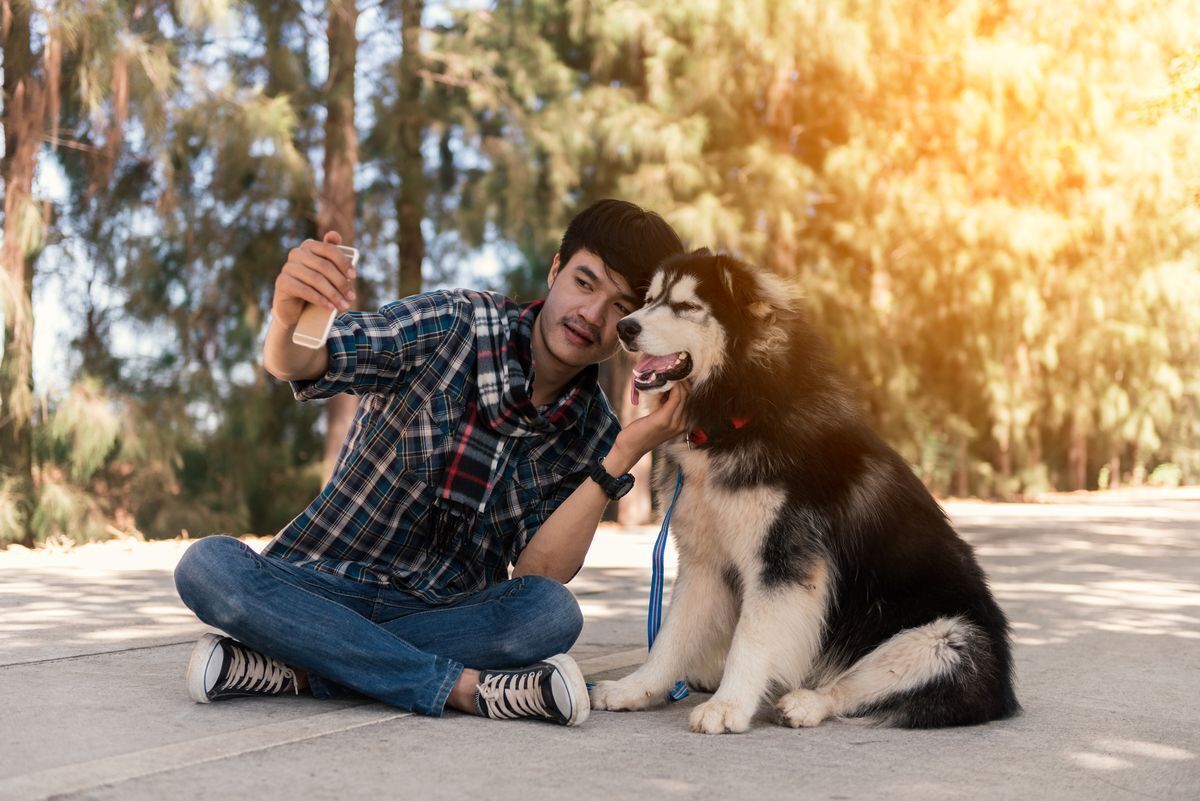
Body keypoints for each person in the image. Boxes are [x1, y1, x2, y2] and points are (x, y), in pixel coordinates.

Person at [173, 199, 688, 727]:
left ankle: (296, 669)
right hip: (323, 584)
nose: (593, 316)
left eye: (621, 307)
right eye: (585, 283)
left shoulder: (594, 432)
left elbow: (539, 574)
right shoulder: (453, 322)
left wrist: (623, 453)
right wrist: (290, 318)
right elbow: (306, 360)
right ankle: (462, 689)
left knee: (551, 614)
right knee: (209, 567)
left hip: (444, 613)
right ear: (556, 270)